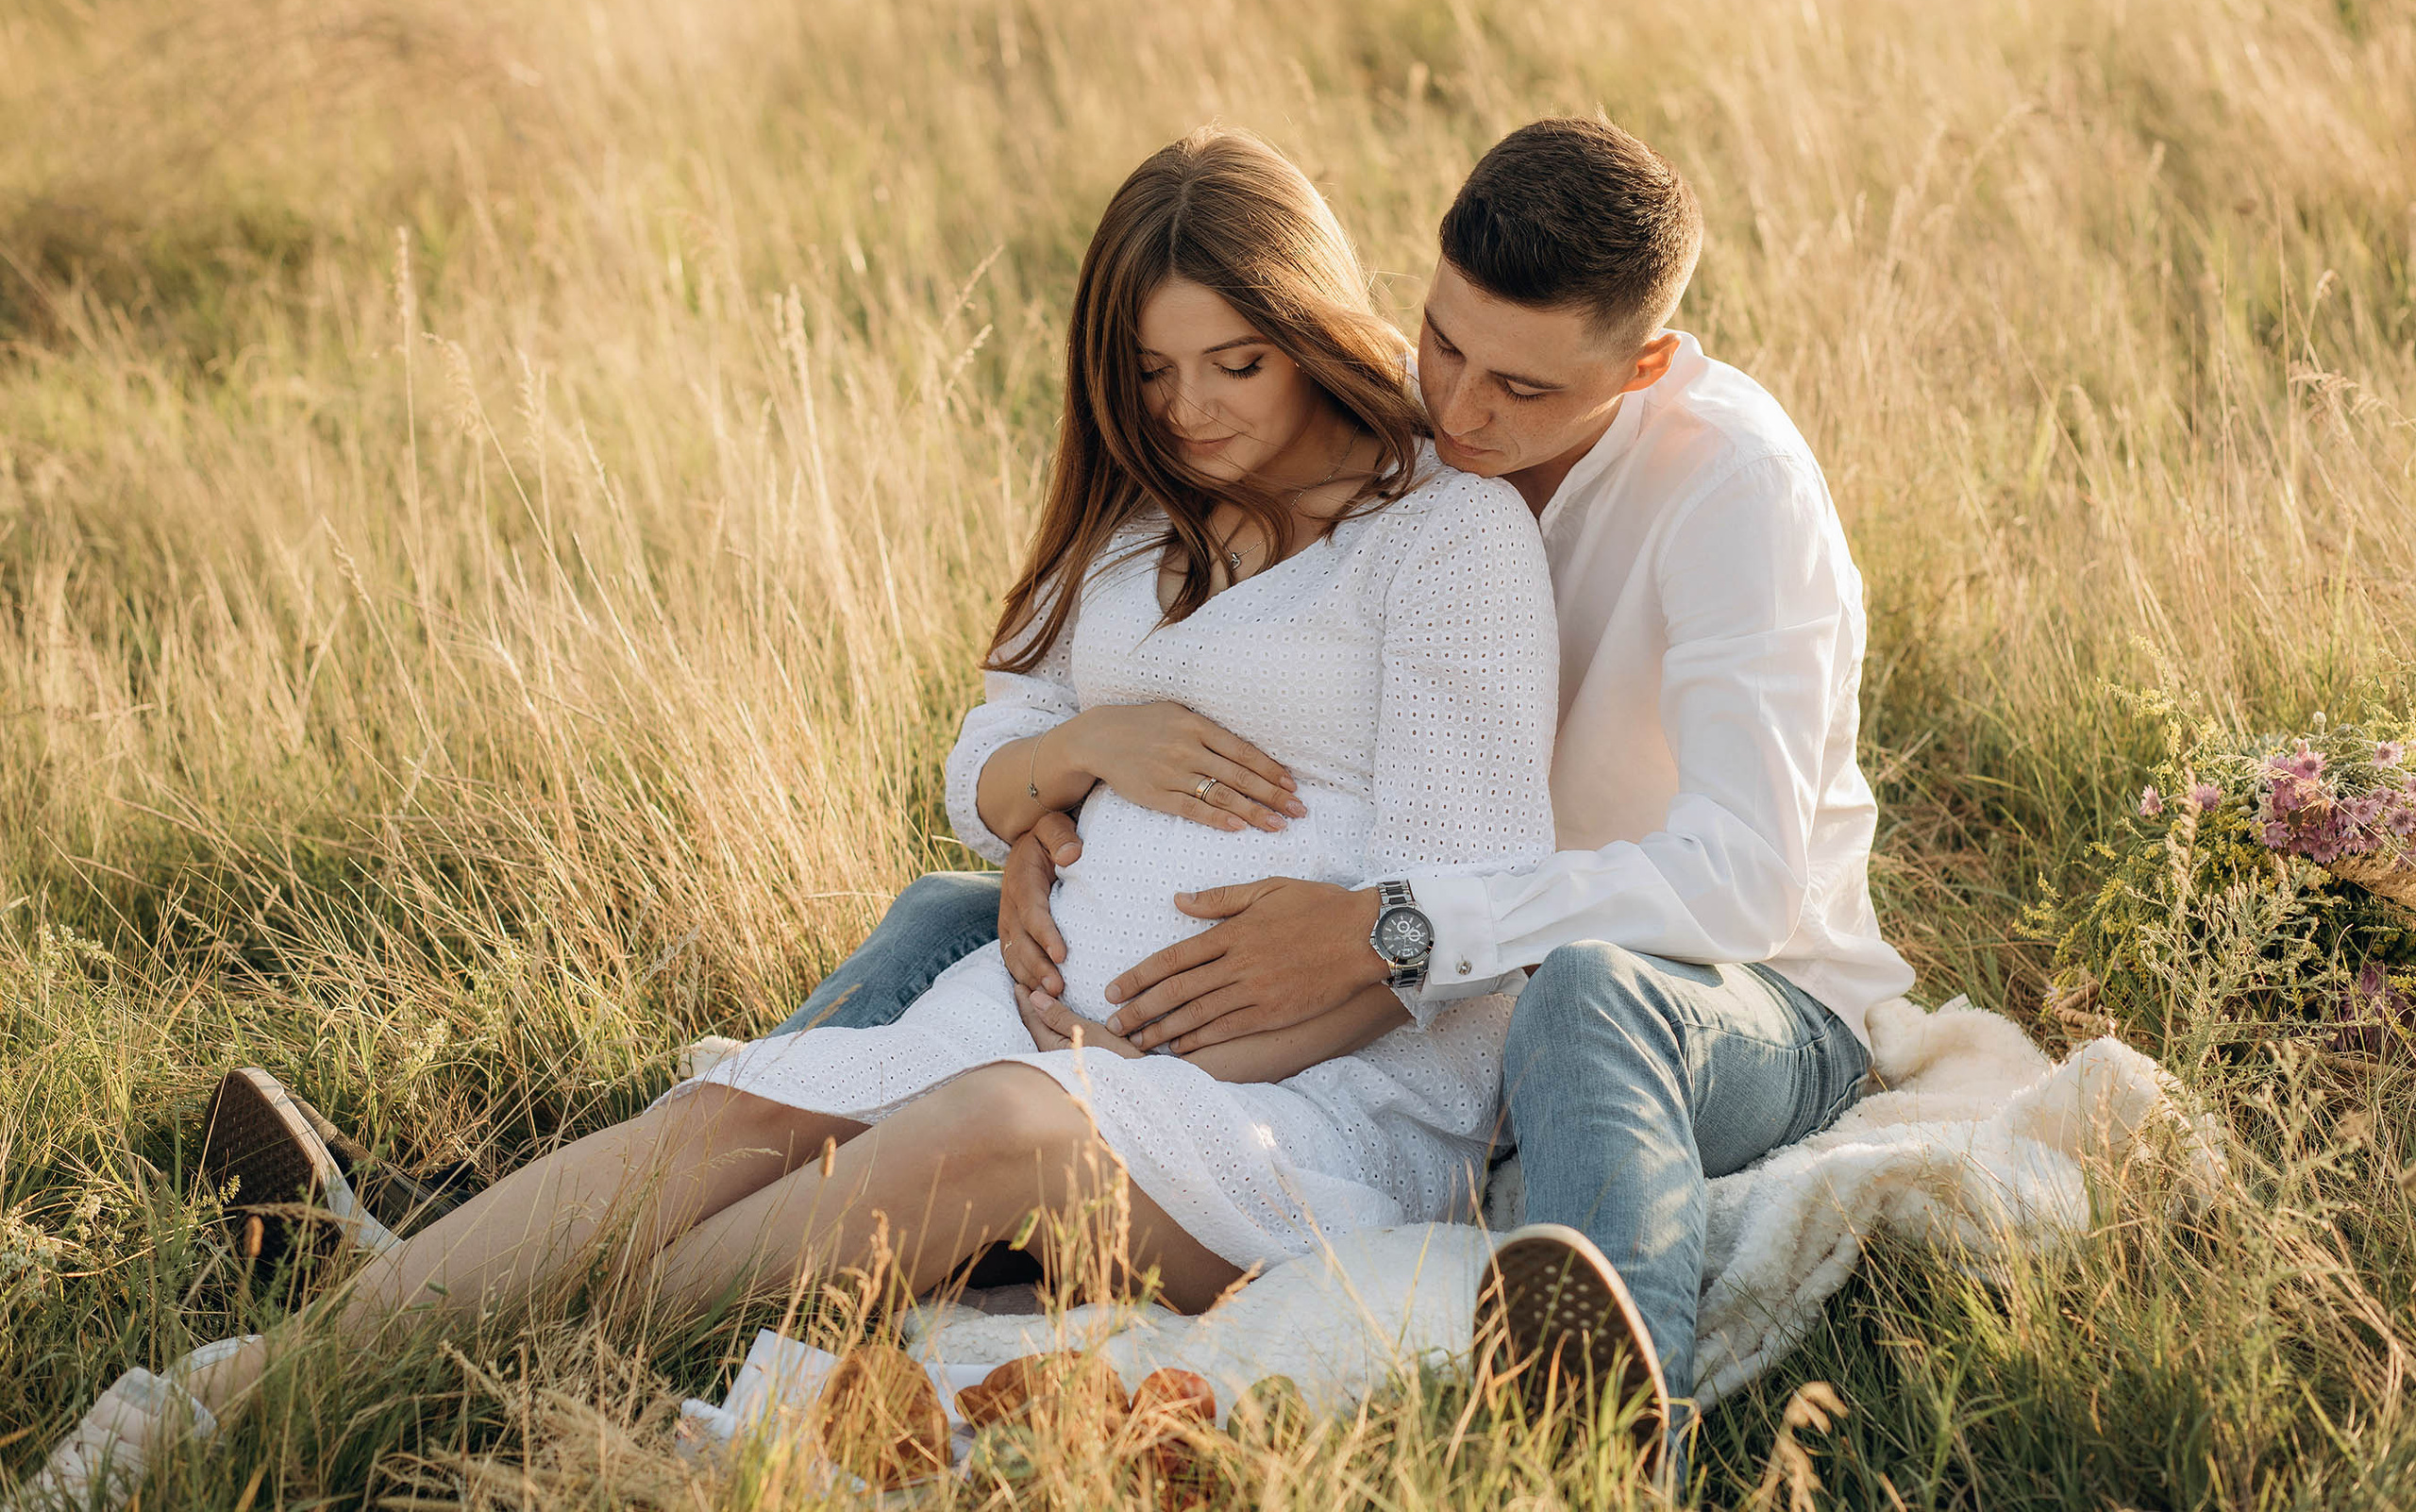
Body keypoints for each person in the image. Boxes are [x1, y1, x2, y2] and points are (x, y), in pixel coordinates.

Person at [18, 127, 1563, 1507]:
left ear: (1307, 325)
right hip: (1033, 1020)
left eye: (1236, 361)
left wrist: (1177, 1040)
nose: (1193, 410)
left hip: (1302, 1096)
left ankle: (464, 1395)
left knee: (999, 1125)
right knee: (738, 1121)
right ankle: (245, 1382)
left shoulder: (1440, 536)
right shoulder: (1139, 520)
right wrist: (1075, 764)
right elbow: (986, 764)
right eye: (1152, 374)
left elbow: (1462, 891)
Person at [770, 117, 1912, 1470]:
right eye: (1443, 344)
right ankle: (748, 1157)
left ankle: (1602, 1446)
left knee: (1588, 1000)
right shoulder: (1406, 448)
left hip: (1730, 994)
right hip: (1462, 965)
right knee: (939, 915)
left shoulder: (1734, 493)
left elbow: (1741, 880)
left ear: (1645, 365)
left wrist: (1392, 927)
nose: (1463, 409)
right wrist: (1047, 825)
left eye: (1524, 390)